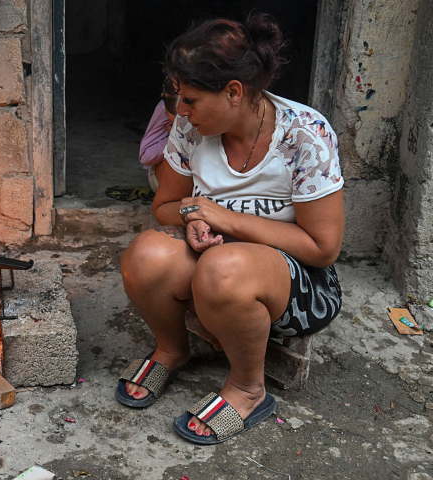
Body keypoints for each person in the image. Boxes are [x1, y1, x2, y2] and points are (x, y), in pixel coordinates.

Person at [116, 13, 344, 445]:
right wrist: (194, 218)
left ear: (234, 92)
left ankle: (247, 388)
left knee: (223, 268)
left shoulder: (304, 136)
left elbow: (323, 248)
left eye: (192, 100)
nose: (180, 111)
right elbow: (165, 205)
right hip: (214, 263)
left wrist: (226, 218)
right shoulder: (189, 129)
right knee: (145, 256)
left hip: (297, 281)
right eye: (179, 98)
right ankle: (172, 348)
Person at [139, 81, 179, 192]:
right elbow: (145, 156)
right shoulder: (164, 108)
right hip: (169, 177)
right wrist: (175, 138)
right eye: (180, 120)